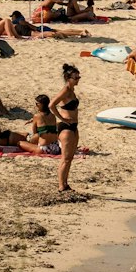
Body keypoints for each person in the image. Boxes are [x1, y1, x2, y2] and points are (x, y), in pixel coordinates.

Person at [55, 64, 81, 197]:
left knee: (70, 158)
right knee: (65, 158)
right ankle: (61, 186)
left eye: (79, 77)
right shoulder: (65, 90)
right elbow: (51, 104)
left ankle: (65, 183)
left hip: (73, 127)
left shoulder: (72, 91)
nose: (78, 79)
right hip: (66, 128)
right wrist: (61, 118)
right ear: (68, 78)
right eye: (75, 77)